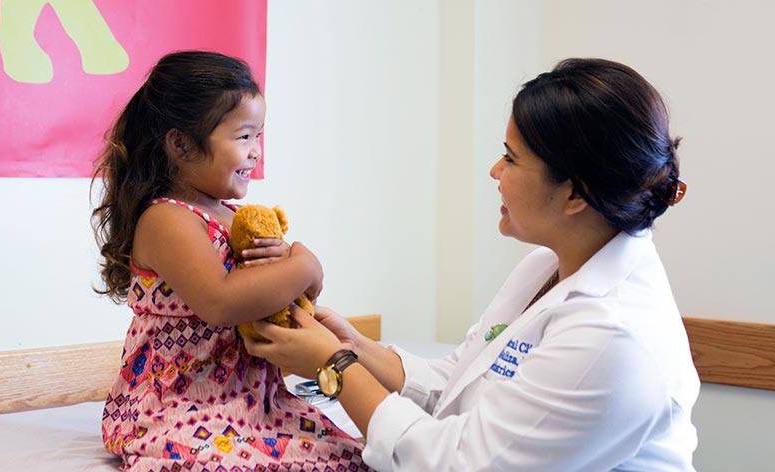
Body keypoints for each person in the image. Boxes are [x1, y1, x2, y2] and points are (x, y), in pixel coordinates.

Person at [243, 58, 699, 471]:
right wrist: (357, 348)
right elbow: (456, 385)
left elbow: (458, 464)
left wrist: (335, 365)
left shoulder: (614, 337)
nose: (495, 172)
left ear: (576, 193)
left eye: (512, 158)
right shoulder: (544, 266)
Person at [91, 51, 365, 470]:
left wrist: (291, 269)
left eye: (259, 136)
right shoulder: (166, 218)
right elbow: (220, 302)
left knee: (349, 457)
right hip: (179, 403)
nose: (256, 152)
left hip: (255, 401)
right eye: (244, 137)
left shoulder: (235, 219)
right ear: (181, 144)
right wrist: (305, 264)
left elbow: (283, 299)